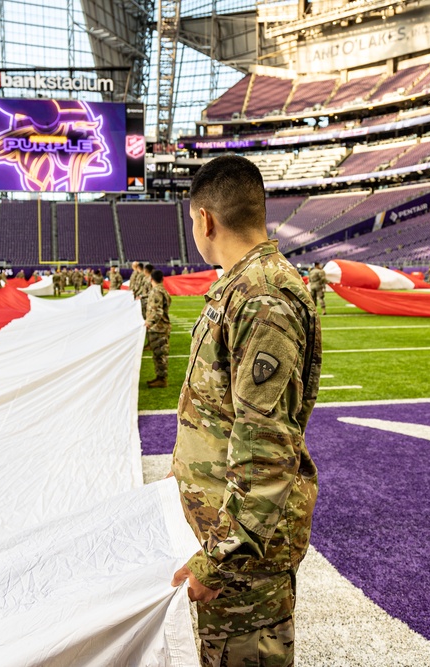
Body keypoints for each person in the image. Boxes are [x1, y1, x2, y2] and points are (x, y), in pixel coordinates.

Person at [170, 155, 321, 667]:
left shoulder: (261, 296)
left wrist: (220, 561)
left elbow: (266, 450)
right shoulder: (244, 286)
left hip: (244, 556)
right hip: (233, 540)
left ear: (204, 219)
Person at [145, 269, 172, 388]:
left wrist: (149, 323)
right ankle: (159, 377)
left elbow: (157, 310)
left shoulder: (156, 291)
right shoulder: (162, 290)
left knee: (160, 355)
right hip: (160, 327)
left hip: (159, 328)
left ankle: (162, 379)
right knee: (158, 354)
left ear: (151, 279)